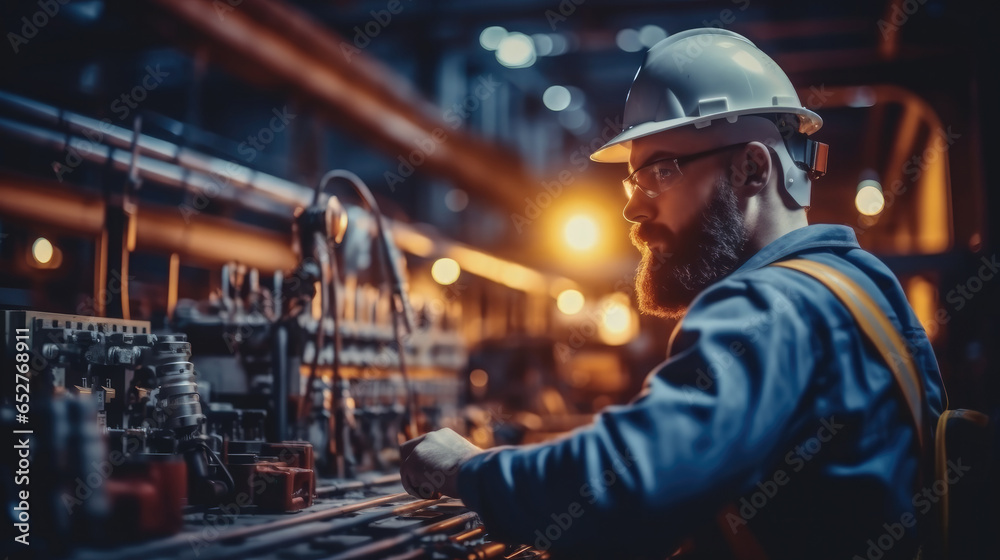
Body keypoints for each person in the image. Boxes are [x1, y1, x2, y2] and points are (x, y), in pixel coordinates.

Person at [399, 28, 946, 559]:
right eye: (632, 181)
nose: (633, 209)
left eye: (660, 171)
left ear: (751, 169)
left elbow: (628, 485)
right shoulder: (862, 285)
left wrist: (466, 469)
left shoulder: (768, 306)